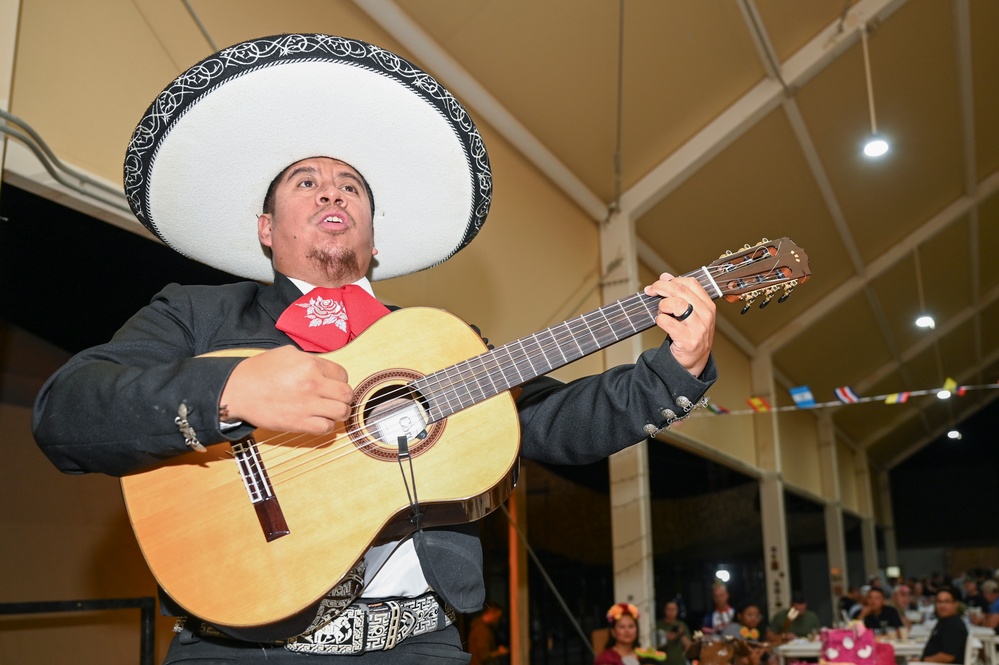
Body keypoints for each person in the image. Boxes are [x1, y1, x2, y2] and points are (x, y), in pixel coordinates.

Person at [31, 34, 718, 664]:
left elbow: (552, 421)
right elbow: (65, 412)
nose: (332, 188)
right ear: (267, 229)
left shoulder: (441, 341)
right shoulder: (197, 311)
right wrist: (227, 392)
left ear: (374, 239)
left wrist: (672, 370)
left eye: (350, 185)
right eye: (306, 181)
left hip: (416, 644)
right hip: (233, 647)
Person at [596, 603, 665, 665]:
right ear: (613, 632)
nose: (627, 631)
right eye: (622, 627)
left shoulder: (642, 656)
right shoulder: (606, 658)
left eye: (631, 626)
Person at [920, 587, 968, 663]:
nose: (942, 606)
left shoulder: (954, 625)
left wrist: (922, 661)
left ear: (955, 604)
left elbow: (948, 656)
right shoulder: (944, 620)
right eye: (939, 602)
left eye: (947, 602)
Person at [655, 599, 692, 664]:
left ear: (677, 610)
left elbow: (689, 647)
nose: (671, 612)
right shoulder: (657, 625)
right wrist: (665, 638)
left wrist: (681, 634)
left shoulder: (682, 625)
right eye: (669, 609)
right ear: (664, 610)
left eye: (674, 609)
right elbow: (652, 647)